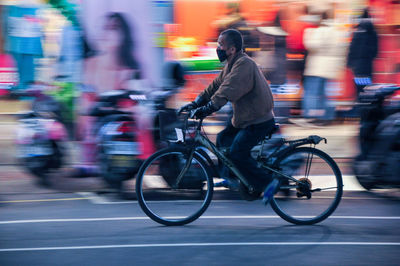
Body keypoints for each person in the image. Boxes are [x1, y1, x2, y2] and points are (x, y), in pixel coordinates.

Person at [178, 29, 278, 203]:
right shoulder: (231, 65)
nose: (218, 48)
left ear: (232, 49)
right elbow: (215, 86)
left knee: (238, 152)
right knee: (223, 139)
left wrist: (208, 108)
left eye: (220, 45)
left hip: (258, 120)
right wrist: (196, 102)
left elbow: (227, 90)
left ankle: (269, 182)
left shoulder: (244, 65)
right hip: (244, 119)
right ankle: (235, 177)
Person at [301, 11, 345, 125]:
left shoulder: (318, 31)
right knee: (328, 94)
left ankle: (311, 116)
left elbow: (311, 46)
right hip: (331, 69)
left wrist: (309, 33)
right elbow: (342, 50)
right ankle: (328, 117)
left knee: (311, 93)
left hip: (317, 67)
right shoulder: (337, 32)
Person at [347, 8, 378, 100]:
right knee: (367, 87)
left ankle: (360, 105)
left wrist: (349, 63)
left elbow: (352, 48)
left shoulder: (358, 31)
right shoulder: (373, 32)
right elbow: (375, 51)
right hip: (367, 65)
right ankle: (367, 107)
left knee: (359, 88)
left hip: (357, 66)